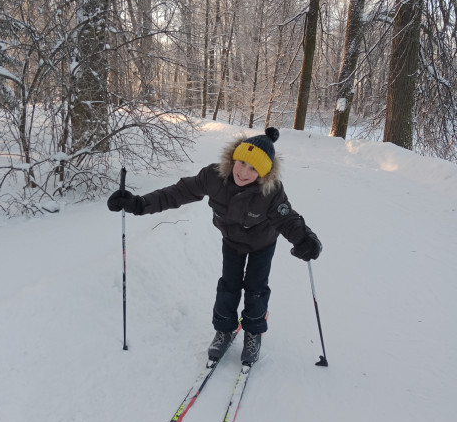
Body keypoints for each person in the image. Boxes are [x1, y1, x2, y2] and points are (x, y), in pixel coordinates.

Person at [107, 127, 322, 365]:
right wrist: (138, 204)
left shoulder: (270, 191)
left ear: (263, 173)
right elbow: (177, 193)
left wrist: (305, 239)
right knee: (228, 285)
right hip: (231, 240)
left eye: (253, 169)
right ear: (233, 159)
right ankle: (224, 330)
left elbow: (287, 218)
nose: (244, 172)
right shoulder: (214, 177)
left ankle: (253, 331)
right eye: (241, 163)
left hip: (262, 243)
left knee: (256, 287)